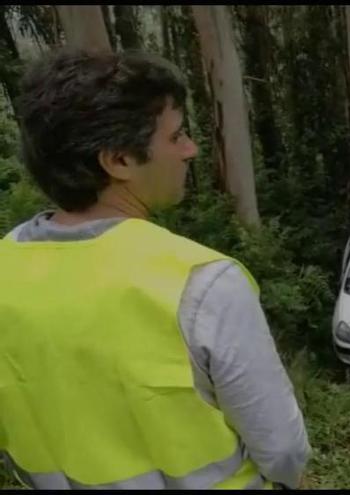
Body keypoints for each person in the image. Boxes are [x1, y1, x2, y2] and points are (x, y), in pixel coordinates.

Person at [0, 49, 310, 489]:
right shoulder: (202, 282)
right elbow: (283, 452)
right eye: (176, 136)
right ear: (118, 160)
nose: (191, 149)